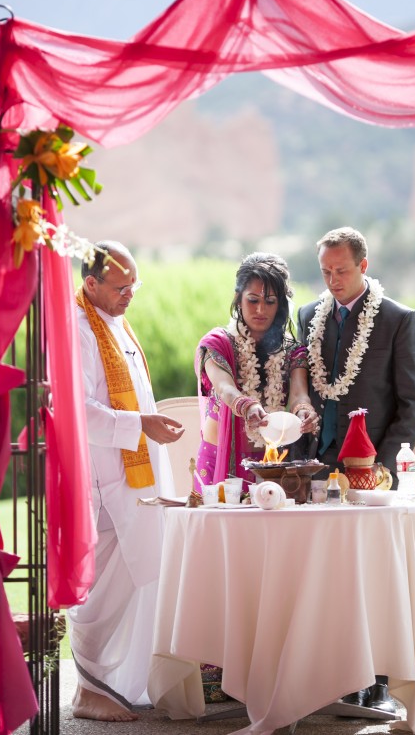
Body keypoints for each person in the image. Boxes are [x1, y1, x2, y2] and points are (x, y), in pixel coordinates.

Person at [297, 226, 415, 715]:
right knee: (324, 574)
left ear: (364, 266)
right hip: (316, 467)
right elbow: (304, 388)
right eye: (326, 271)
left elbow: (412, 404)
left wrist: (381, 469)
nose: (332, 280)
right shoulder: (308, 315)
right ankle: (329, 672)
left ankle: (374, 680)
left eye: (342, 270)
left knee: (369, 573)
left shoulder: (398, 320)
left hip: (372, 472)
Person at [67, 240, 184, 723]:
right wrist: (142, 424)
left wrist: (148, 424)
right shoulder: (79, 328)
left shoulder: (113, 319)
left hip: (137, 476)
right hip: (106, 481)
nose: (129, 294)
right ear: (90, 283)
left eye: (135, 285)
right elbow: (81, 412)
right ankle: (87, 688)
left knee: (143, 577)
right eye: (121, 287)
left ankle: (126, 681)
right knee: (105, 588)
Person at [195, 252, 319, 489]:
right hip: (217, 461)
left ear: (281, 304)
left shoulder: (293, 351)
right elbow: (224, 387)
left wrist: (304, 410)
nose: (261, 309)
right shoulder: (216, 343)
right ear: (238, 297)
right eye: (253, 300)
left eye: (270, 301)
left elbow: (299, 393)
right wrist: (247, 405)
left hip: (271, 464)